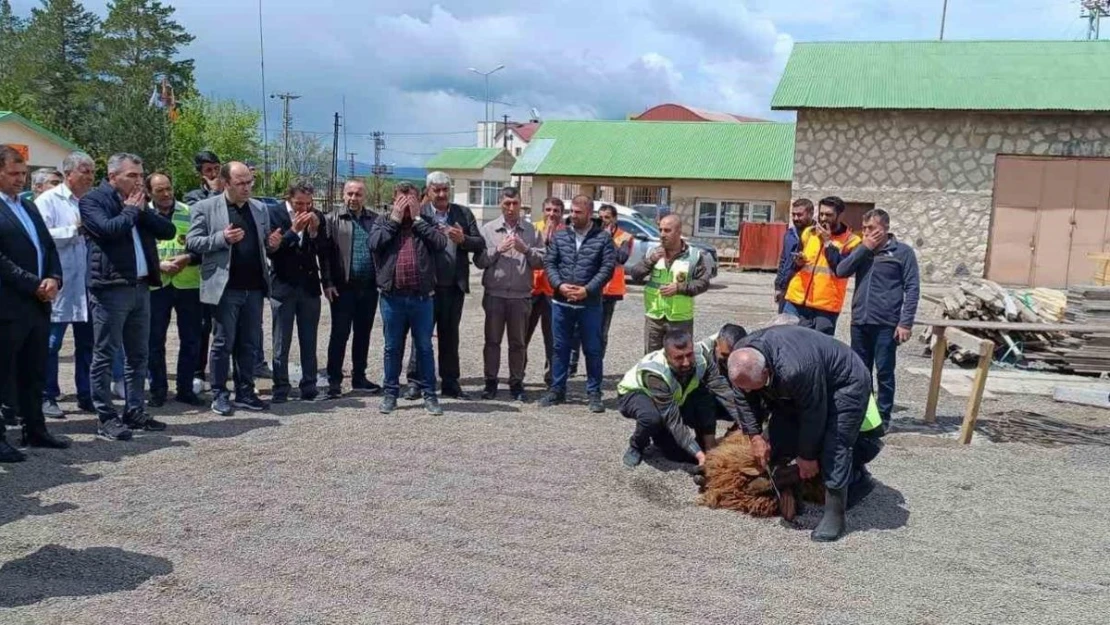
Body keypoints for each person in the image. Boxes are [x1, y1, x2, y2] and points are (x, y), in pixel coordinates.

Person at [727, 325, 883, 542]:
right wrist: (754, 436)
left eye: (753, 387)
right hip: (804, 380)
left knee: (835, 443)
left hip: (846, 381)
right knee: (780, 430)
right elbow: (743, 398)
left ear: (766, 372)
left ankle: (835, 515)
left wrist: (807, 456)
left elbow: (814, 414)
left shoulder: (795, 370)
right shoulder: (741, 361)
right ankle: (788, 479)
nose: (748, 391)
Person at [80, 153, 176, 441]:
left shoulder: (137, 204)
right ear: (112, 177)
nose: (138, 181)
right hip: (110, 288)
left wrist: (143, 210)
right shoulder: (93, 200)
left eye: (140, 175)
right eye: (132, 176)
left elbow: (167, 230)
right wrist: (132, 211)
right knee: (106, 354)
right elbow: (108, 231)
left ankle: (135, 410)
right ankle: (106, 417)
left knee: (139, 354)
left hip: (140, 287)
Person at [187, 161, 278, 417]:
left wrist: (272, 243)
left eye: (249, 182)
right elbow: (193, 242)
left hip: (254, 287)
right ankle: (219, 394)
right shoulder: (205, 208)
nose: (247, 188)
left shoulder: (260, 208)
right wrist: (221, 239)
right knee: (223, 342)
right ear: (226, 183)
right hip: (225, 288)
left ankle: (245, 392)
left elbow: (265, 246)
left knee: (249, 343)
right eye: (240, 183)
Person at [0, 144, 69, 461]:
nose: (20, 180)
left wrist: (54, 277)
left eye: (23, 174)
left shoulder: (28, 208)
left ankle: (35, 429)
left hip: (39, 303)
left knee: (34, 369)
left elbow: (48, 247)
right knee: (4, 374)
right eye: (14, 174)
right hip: (10, 305)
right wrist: (34, 284)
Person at [835, 208, 920, 430]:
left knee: (884, 371)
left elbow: (912, 288)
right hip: (860, 322)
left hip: (886, 324)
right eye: (864, 229)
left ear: (885, 228)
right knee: (861, 373)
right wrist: (865, 248)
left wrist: (905, 322)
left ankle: (883, 419)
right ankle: (864, 416)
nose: (866, 232)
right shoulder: (862, 249)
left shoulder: (903, 253)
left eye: (871, 228)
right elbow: (841, 271)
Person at [402, 171, 484, 400]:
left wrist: (463, 240)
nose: (441, 194)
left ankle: (450, 382)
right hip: (426, 288)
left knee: (450, 336)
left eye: (445, 189)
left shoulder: (462, 213)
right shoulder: (420, 214)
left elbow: (480, 243)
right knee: (421, 336)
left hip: (453, 287)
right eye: (436, 189)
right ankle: (416, 382)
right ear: (427, 192)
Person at [370, 182, 448, 415]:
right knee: (392, 347)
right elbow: (374, 244)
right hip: (392, 297)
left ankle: (430, 395)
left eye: (411, 198)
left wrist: (417, 220)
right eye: (402, 199)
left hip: (422, 298)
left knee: (424, 347)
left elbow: (440, 243)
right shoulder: (383, 221)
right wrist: (395, 219)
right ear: (394, 200)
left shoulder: (427, 221)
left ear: (419, 200)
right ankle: (390, 394)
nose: (406, 204)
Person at [617, 329, 740, 468]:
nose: (686, 362)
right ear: (667, 356)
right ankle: (636, 445)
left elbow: (722, 389)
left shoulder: (702, 357)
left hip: (673, 397)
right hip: (636, 394)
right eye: (679, 358)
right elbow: (673, 420)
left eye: (689, 354)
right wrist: (700, 456)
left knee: (679, 454)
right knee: (652, 418)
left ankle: (668, 436)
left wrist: (746, 423)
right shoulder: (655, 374)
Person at [538, 194, 616, 412]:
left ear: (589, 213)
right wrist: (559, 285)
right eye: (571, 211)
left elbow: (607, 268)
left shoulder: (602, 239)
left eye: (578, 212)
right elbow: (550, 263)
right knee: (560, 347)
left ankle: (594, 393)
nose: (573, 215)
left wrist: (587, 290)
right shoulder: (560, 236)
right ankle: (557, 389)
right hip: (561, 302)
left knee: (592, 349)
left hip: (589, 305)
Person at [35, 151, 96, 418]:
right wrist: (74, 230)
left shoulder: (92, 201)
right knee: (51, 344)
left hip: (89, 283)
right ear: (69, 173)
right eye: (85, 171)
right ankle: (47, 395)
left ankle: (87, 394)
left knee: (89, 344)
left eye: (93, 172)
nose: (90, 177)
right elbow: (40, 236)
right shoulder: (49, 200)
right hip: (59, 284)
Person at [474, 187, 543, 401]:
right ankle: (490, 382)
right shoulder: (488, 230)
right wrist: (498, 250)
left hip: (521, 297)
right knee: (492, 341)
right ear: (500, 204)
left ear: (521, 204)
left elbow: (542, 261)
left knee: (518, 343)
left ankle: (516, 383)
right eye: (507, 204)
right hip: (495, 294)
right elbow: (479, 261)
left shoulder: (532, 231)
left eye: (515, 204)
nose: (511, 208)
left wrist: (526, 250)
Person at [267, 180, 332, 403]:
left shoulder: (317, 216)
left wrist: (314, 232)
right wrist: (294, 230)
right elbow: (273, 251)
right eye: (298, 204)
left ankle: (309, 386)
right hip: (283, 286)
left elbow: (324, 251)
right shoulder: (274, 214)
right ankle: (280, 387)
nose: (302, 209)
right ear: (288, 199)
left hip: (308, 287)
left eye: (307, 204)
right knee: (281, 341)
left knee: (309, 340)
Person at [145, 172, 205, 408]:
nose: (167, 194)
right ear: (150, 192)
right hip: (156, 284)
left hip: (188, 283)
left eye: (169, 188)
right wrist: (158, 265)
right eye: (160, 190)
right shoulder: (143, 214)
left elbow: (202, 246)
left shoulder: (188, 212)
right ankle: (158, 390)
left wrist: (188, 258)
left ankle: (185, 388)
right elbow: (137, 249)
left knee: (191, 339)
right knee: (154, 340)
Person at [323, 179, 382, 398]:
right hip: (342, 288)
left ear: (364, 197)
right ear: (342, 194)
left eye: (358, 194)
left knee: (363, 334)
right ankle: (334, 381)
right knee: (339, 334)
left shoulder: (375, 220)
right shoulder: (332, 219)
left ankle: (359, 377)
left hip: (368, 289)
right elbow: (326, 255)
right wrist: (327, 282)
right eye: (349, 194)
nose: (353, 198)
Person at [629, 214, 711, 354]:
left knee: (680, 360)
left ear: (679, 232)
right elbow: (635, 275)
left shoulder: (694, 255)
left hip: (680, 319)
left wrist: (680, 287)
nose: (662, 234)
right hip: (655, 318)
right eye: (660, 230)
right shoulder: (652, 252)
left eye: (667, 230)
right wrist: (650, 261)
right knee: (652, 360)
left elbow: (703, 283)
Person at [782, 196, 861, 335]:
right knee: (787, 342)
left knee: (819, 350)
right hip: (796, 299)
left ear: (840, 215)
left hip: (825, 307)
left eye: (829, 215)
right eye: (821, 214)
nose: (823, 218)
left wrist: (827, 242)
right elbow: (795, 266)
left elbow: (840, 269)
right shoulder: (809, 233)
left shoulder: (852, 241)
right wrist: (798, 263)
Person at [568, 203, 631, 375]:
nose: (602, 221)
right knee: (577, 329)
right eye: (600, 217)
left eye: (607, 218)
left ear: (614, 219)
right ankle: (572, 365)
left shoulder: (623, 236)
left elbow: (621, 258)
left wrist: (608, 238)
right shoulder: (591, 233)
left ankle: (595, 366)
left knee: (601, 333)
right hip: (588, 288)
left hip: (610, 292)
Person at [524, 198, 564, 389]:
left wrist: (553, 240)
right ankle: (518, 373)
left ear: (561, 213)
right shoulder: (532, 229)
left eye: (556, 210)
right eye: (548, 209)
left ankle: (551, 377)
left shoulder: (566, 232)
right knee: (523, 334)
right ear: (542, 210)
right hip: (532, 289)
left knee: (553, 338)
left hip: (553, 292)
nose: (551, 214)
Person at [774, 198, 814, 313]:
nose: (796, 218)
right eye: (794, 214)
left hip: (807, 291)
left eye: (800, 215)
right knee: (784, 325)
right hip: (787, 288)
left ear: (811, 214)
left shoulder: (817, 235)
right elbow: (783, 260)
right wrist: (778, 286)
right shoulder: (790, 234)